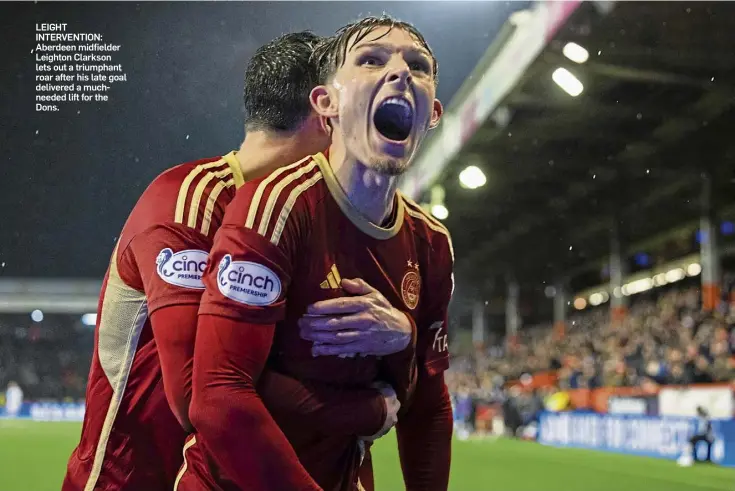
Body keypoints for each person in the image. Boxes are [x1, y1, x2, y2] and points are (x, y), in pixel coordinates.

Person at [63, 31, 402, 491]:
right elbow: (200, 395)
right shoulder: (189, 204)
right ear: (325, 115)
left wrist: (404, 332)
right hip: (139, 479)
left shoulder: (315, 217)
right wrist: (365, 411)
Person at [180, 15, 454, 491]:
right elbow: (218, 397)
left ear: (432, 113)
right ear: (327, 104)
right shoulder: (275, 206)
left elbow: (428, 403)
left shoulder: (431, 242)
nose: (401, 73)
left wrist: (406, 336)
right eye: (371, 59)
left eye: (418, 65)